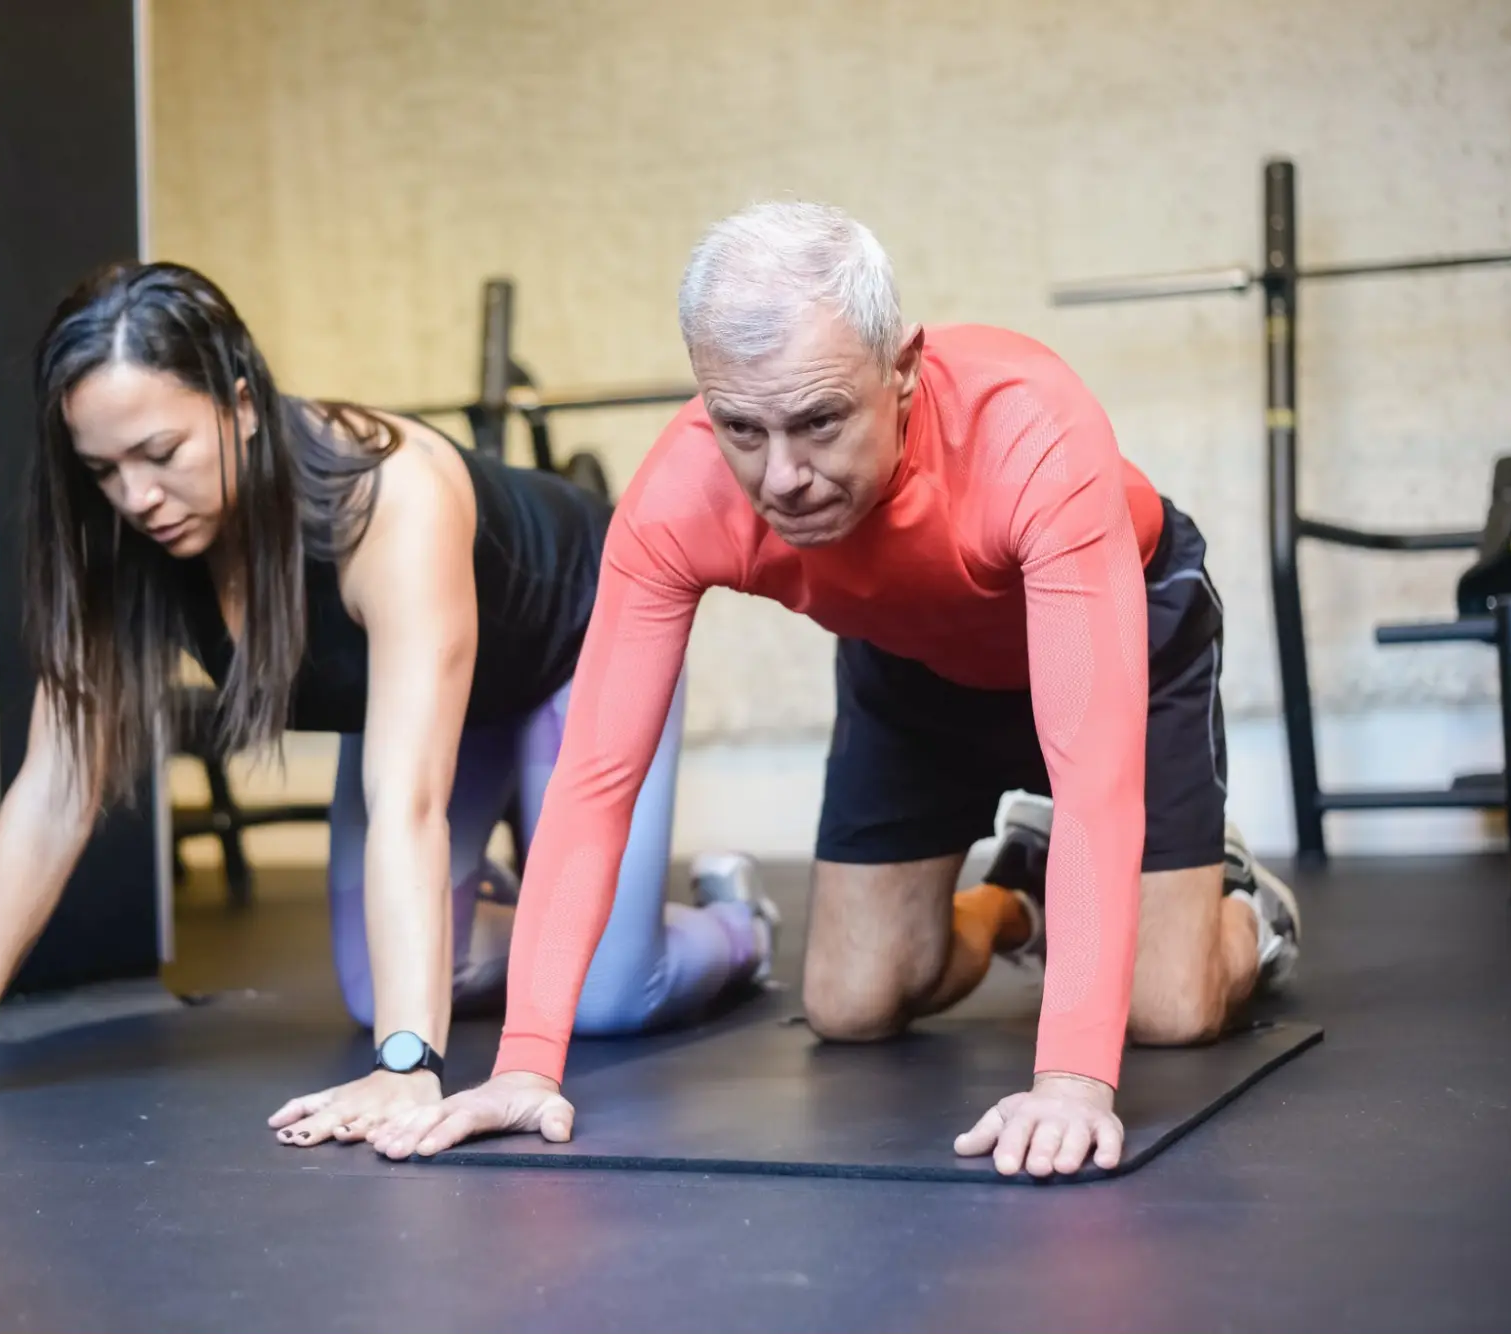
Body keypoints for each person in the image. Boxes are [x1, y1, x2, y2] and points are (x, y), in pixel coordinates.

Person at [370, 203, 1302, 1179]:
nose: (782, 478)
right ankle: (1011, 901)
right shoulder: (679, 499)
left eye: (818, 422)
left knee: (1167, 1013)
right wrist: (525, 1065)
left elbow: (1095, 780)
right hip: (910, 657)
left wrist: (1069, 1081)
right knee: (853, 1006)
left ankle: (1241, 906)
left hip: (1121, 626)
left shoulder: (1029, 432)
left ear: (902, 371)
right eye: (740, 427)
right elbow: (597, 778)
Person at [0, 261, 775, 1140]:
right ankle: (554, 907)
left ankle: (734, 925)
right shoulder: (124, 545)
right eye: (103, 471)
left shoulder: (385, 495)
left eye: (160, 451)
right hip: (441, 696)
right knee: (372, 989)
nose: (135, 497)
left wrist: (407, 1067)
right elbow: (51, 795)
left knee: (602, 995)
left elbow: (408, 801)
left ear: (242, 403)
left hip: (573, 648)